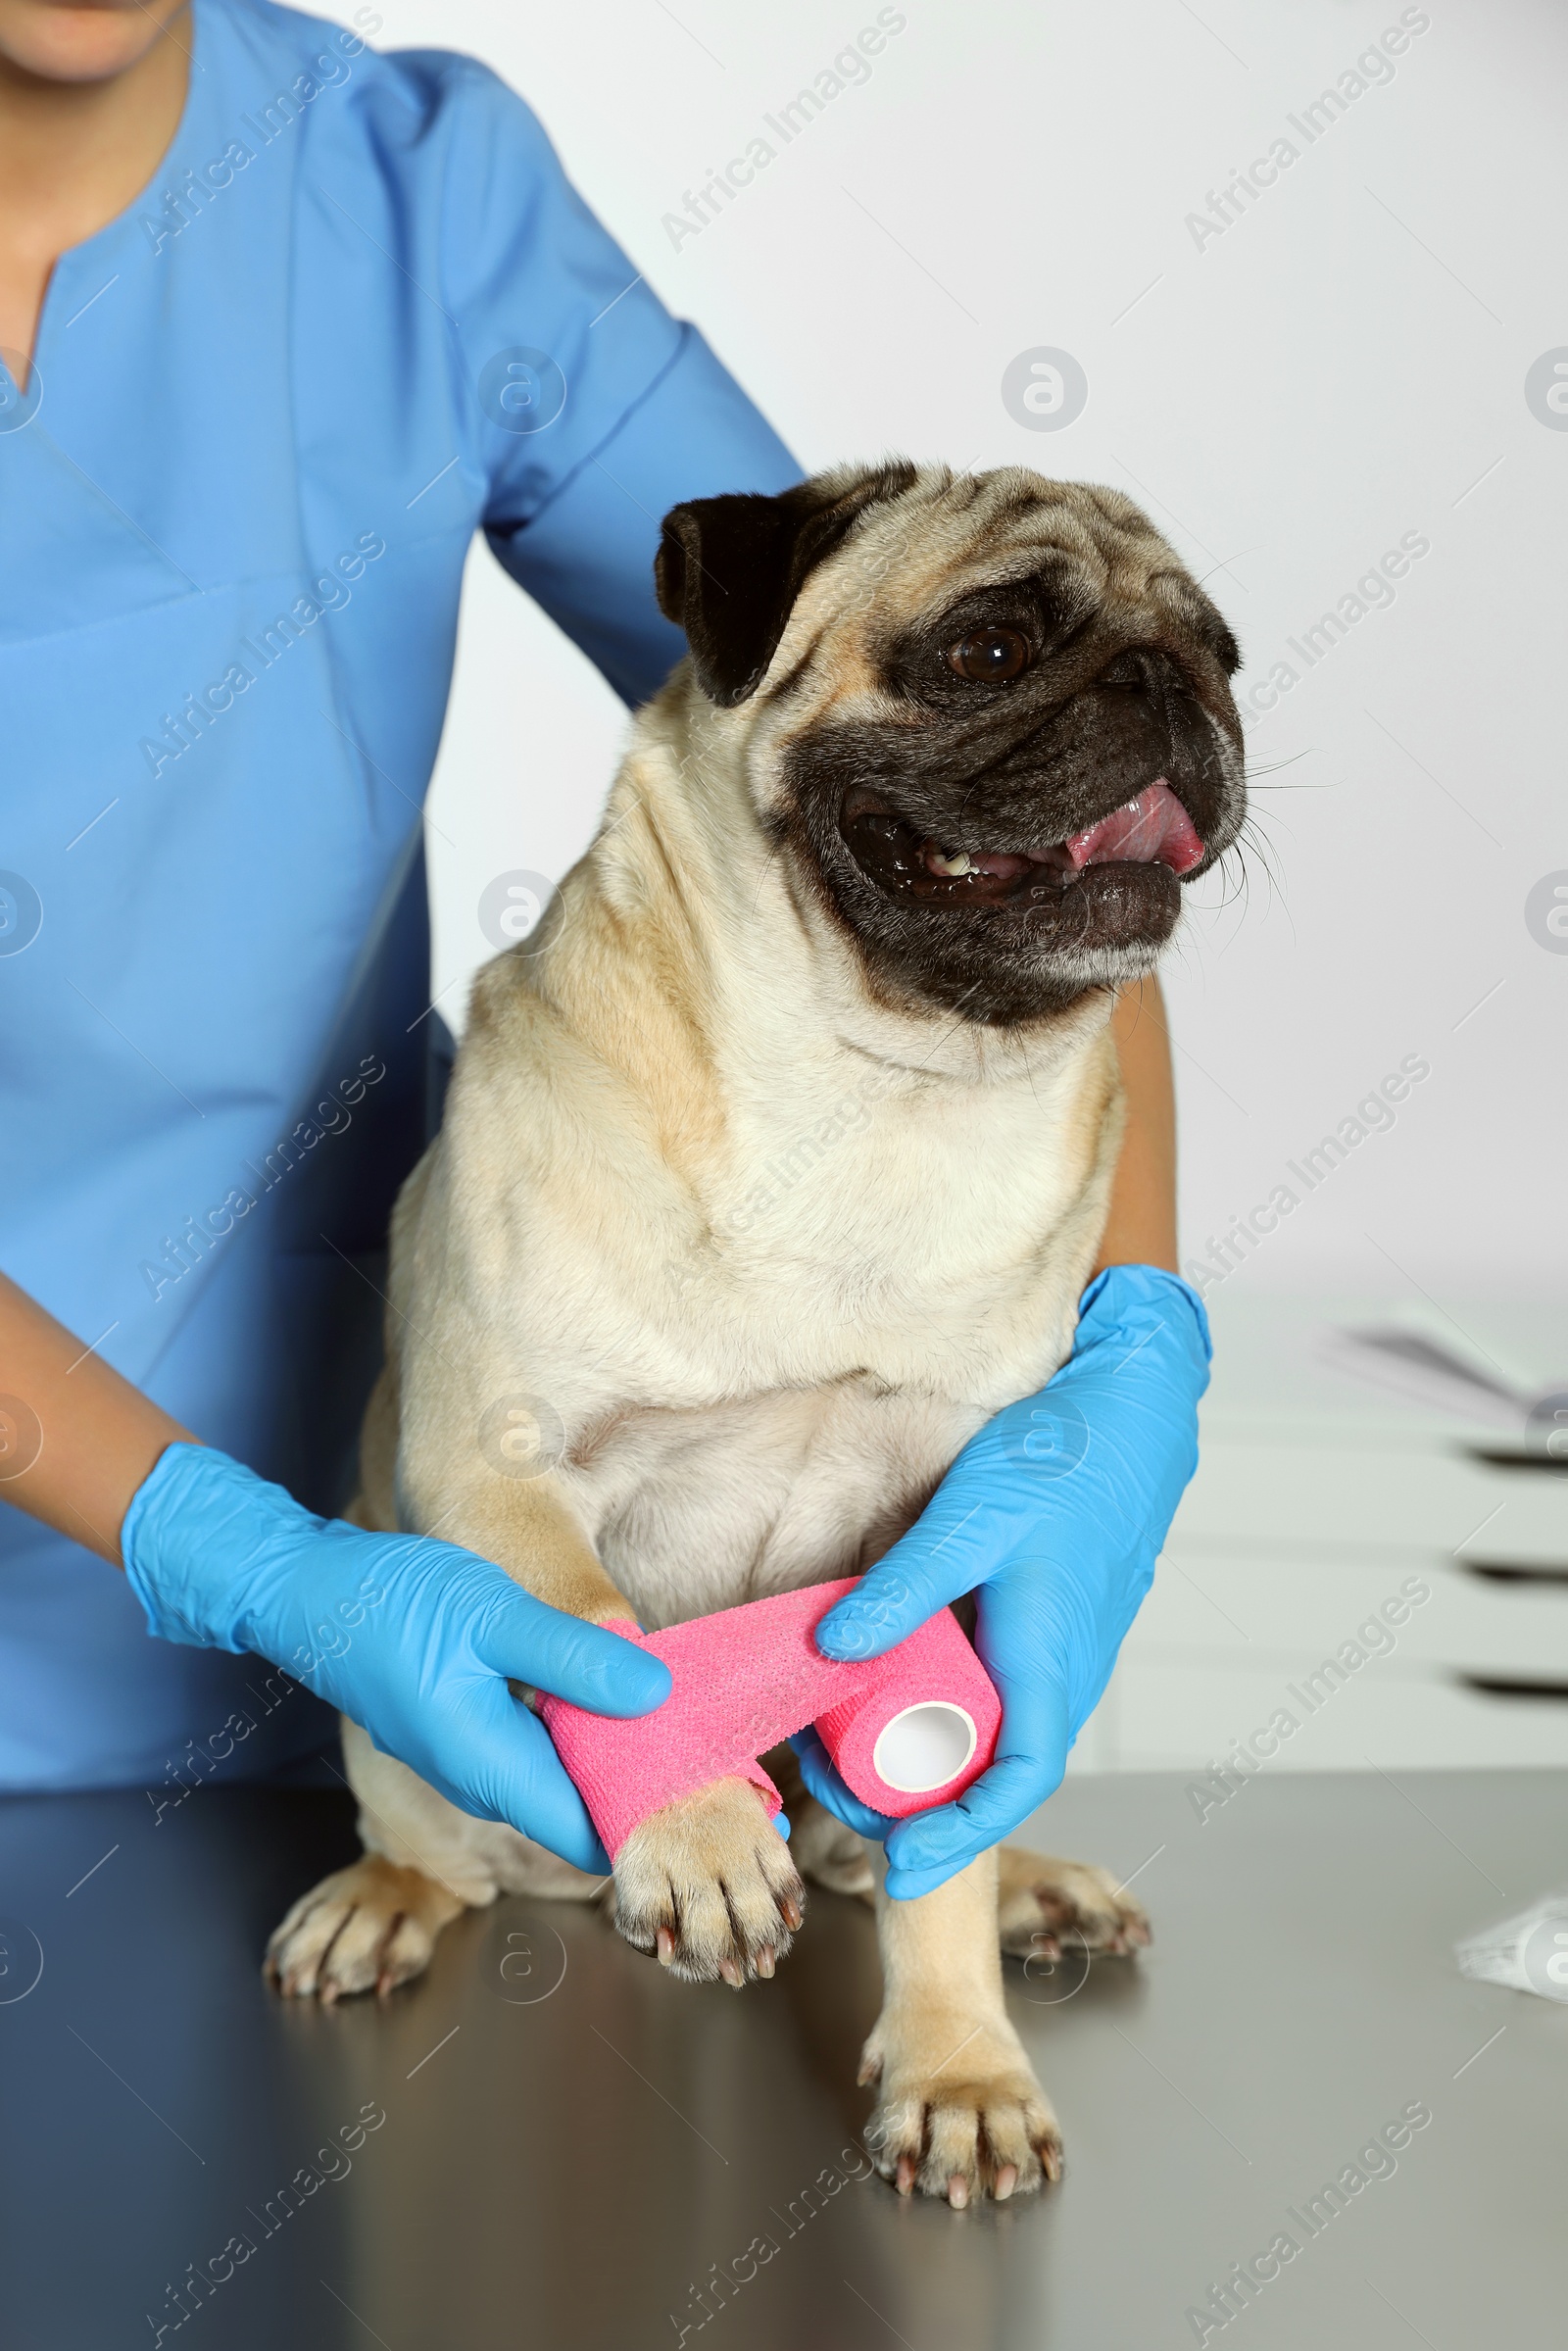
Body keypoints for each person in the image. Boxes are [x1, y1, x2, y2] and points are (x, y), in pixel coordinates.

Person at [0, 0, 1208, 1891]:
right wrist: (231, 1553)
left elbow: (948, 779)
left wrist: (1133, 1350)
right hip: (257, 1587)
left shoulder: (412, 198)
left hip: (466, 1622)